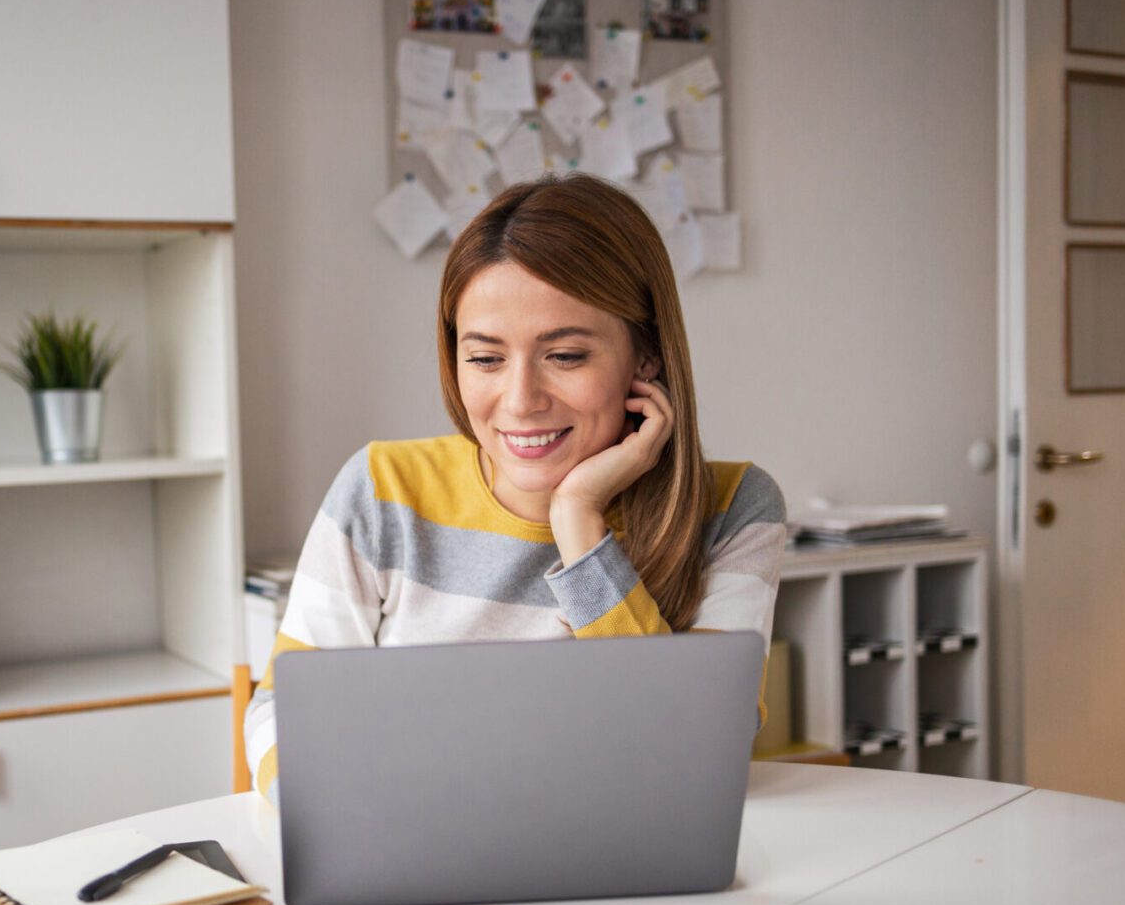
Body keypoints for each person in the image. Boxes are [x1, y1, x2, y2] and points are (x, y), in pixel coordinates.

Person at [245, 173, 786, 805]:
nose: (521, 401)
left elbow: (700, 752)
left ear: (646, 359)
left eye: (566, 356)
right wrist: (327, 813)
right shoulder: (383, 490)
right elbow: (281, 709)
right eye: (484, 359)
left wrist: (580, 523)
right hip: (415, 855)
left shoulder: (735, 510)